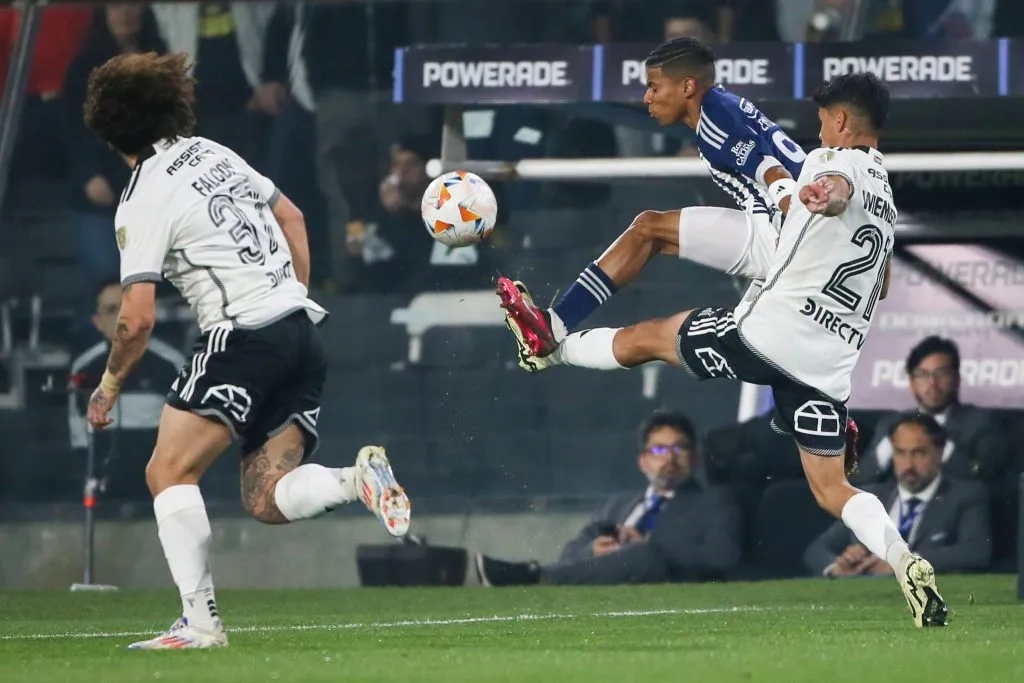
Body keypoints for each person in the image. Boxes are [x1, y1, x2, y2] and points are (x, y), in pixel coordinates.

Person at [498, 72, 950, 628]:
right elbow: (878, 286)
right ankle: (905, 559)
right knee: (833, 488)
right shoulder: (887, 207)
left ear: (839, 122)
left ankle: (548, 348)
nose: (818, 133)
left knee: (650, 339)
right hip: (828, 370)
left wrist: (820, 194)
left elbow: (836, 187)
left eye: (820, 123)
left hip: (769, 337)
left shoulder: (839, 162)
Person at [82, 51, 411, 650]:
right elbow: (294, 216)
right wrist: (292, 299)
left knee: (167, 471)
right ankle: (353, 480)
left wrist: (107, 388)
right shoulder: (213, 152)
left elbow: (135, 320)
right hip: (298, 332)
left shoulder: (141, 198)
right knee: (264, 497)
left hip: (240, 337)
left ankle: (200, 624)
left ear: (105, 127)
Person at [495, 36, 807, 361]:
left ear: (687, 86)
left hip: (788, 235)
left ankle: (553, 328)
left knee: (650, 230)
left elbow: (773, 172)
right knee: (751, 349)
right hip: (787, 229)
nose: (647, 97)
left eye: (654, 87)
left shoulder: (716, 121)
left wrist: (796, 233)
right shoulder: (721, 107)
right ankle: (551, 333)